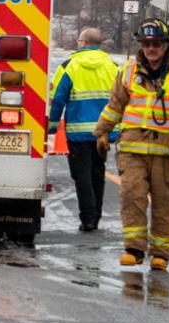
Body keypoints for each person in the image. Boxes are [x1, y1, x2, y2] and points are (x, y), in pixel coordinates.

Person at [91, 19, 169, 270]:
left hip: (167, 151)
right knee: (132, 197)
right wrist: (102, 132)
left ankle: (160, 254)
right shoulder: (129, 71)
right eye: (146, 44)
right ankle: (134, 249)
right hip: (132, 148)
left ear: (166, 45)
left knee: (164, 204)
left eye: (156, 44)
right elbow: (115, 105)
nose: (151, 49)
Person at [48, 27, 120, 231]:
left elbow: (58, 99)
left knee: (82, 176)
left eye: (79, 40)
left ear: (83, 42)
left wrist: (52, 126)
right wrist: (116, 131)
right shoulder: (112, 66)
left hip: (77, 134)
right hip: (103, 133)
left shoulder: (69, 66)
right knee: (98, 173)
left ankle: (87, 219)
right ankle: (95, 217)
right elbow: (121, 99)